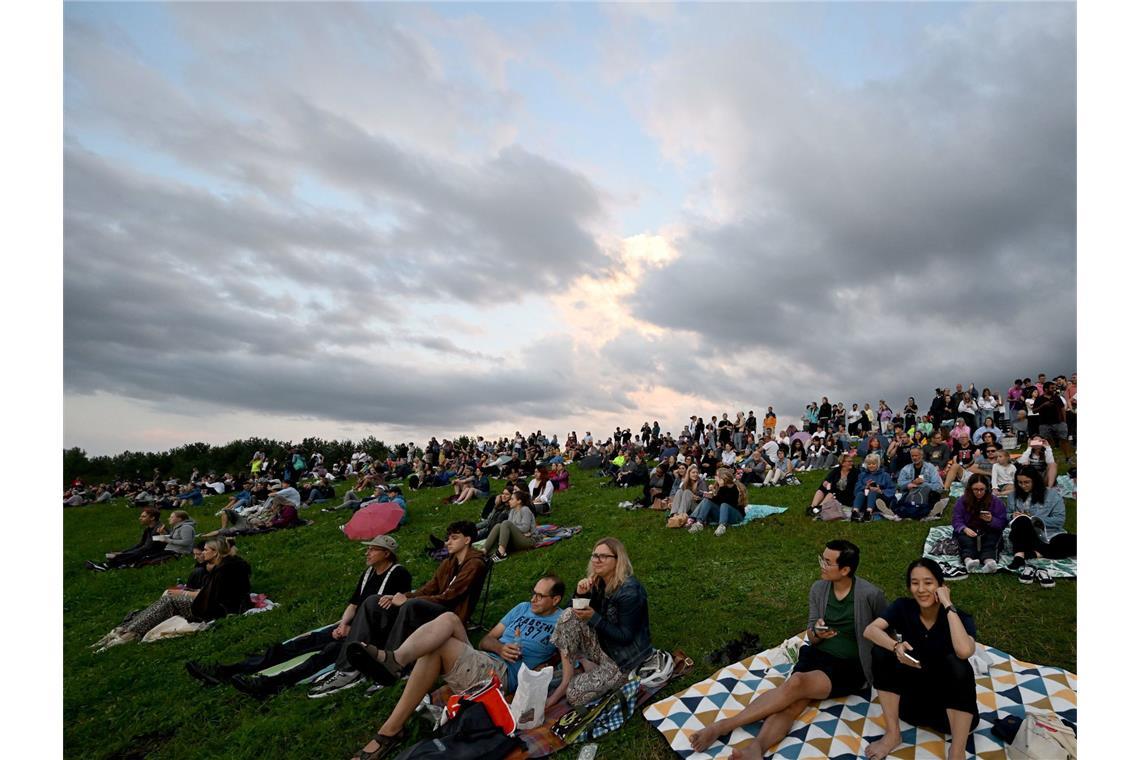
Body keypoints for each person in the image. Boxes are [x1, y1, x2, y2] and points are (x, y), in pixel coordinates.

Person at [688, 540, 886, 759]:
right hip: (818, 654)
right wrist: (817, 633)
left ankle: (723, 726)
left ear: (845, 570)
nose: (821, 564)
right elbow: (810, 633)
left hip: (849, 666)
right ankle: (757, 748)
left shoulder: (870, 595)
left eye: (827, 562)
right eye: (822, 558)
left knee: (796, 683)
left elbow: (885, 629)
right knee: (793, 702)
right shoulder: (819, 589)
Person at [350, 575, 565, 760]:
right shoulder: (522, 608)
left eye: (540, 596)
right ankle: (395, 659)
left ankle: (390, 724)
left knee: (438, 647)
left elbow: (570, 659)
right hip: (486, 658)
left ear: (556, 599)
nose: (533, 598)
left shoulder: (562, 621)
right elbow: (486, 640)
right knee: (450, 618)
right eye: (533, 592)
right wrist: (500, 648)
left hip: (502, 675)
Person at [187, 535, 413, 696]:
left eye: (372, 549)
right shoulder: (368, 573)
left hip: (367, 635)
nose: (368, 552)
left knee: (323, 656)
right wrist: (343, 623)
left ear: (386, 553)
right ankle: (227, 670)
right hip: (348, 627)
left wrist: (351, 630)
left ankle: (269, 684)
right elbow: (354, 603)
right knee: (298, 644)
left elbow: (388, 613)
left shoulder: (398, 573)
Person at [308, 521, 486, 697]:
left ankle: (393, 666)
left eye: (454, 538)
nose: (447, 542)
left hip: (450, 617)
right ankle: (347, 670)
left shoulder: (475, 564)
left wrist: (408, 600)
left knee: (412, 605)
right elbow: (429, 588)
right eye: (448, 538)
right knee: (372, 602)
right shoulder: (449, 562)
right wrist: (401, 597)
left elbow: (451, 597)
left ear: (467, 540)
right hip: (433, 608)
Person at [863, 559, 979, 760]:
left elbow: (964, 651)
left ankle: (957, 751)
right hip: (911, 707)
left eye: (928, 582)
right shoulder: (903, 607)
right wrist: (896, 646)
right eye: (915, 583)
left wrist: (948, 605)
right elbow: (870, 630)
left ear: (941, 586)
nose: (921, 589)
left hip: (947, 713)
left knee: (958, 665)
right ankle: (893, 734)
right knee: (881, 653)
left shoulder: (958, 617)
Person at [547, 538, 651, 708]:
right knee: (567, 615)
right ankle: (567, 680)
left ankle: (588, 668)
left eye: (603, 556)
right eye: (595, 555)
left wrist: (594, 618)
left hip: (624, 660)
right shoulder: (598, 582)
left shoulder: (630, 591)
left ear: (618, 560)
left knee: (574, 695)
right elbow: (569, 616)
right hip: (604, 645)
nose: (596, 560)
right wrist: (580, 594)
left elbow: (626, 637)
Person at [94, 538, 251, 650]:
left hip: (219, 610)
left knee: (170, 599)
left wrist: (182, 594)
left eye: (205, 550)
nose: (203, 553)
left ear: (215, 552)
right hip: (218, 604)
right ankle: (128, 629)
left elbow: (211, 597)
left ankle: (129, 632)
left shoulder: (224, 570)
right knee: (169, 599)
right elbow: (210, 592)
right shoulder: (226, 565)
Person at [1007, 467, 1076, 586]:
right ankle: (1019, 555)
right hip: (1023, 535)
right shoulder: (1013, 496)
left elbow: (1059, 520)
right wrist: (1012, 515)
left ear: (1035, 481)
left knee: (1074, 542)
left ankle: (1035, 553)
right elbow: (1007, 516)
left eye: (1027, 482)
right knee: (1022, 520)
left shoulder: (1053, 495)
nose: (1023, 486)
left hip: (1049, 534)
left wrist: (1035, 519)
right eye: (1020, 482)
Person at [951, 474, 1008, 574]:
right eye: (975, 489)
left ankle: (989, 562)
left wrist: (991, 520)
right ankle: (968, 561)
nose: (979, 493)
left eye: (982, 489)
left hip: (988, 530)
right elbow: (956, 519)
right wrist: (964, 528)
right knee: (965, 541)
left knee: (992, 540)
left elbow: (1003, 522)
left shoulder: (996, 502)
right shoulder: (962, 501)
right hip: (969, 529)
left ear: (987, 489)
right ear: (970, 489)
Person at [689, 467, 748, 536]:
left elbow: (726, 502)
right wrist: (709, 496)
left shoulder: (734, 489)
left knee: (724, 504)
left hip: (736, 516)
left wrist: (715, 494)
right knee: (707, 501)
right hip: (724, 515)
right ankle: (699, 523)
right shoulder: (722, 488)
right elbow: (716, 500)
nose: (715, 477)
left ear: (723, 478)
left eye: (717, 476)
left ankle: (722, 526)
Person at [893, 447, 947, 520]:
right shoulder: (906, 468)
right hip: (910, 493)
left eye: (916, 455)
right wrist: (911, 483)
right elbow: (899, 484)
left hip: (926, 493)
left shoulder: (930, 468)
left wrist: (922, 484)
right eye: (912, 456)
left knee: (934, 495)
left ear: (921, 456)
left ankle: (924, 511)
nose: (914, 458)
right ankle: (927, 513)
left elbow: (938, 486)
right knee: (899, 498)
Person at [484, 488, 536, 562]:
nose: (509, 501)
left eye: (512, 499)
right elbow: (509, 528)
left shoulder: (525, 510)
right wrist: (514, 530)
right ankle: (484, 550)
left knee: (505, 523)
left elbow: (525, 528)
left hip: (529, 540)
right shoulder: (512, 511)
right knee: (499, 525)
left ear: (519, 501)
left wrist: (514, 528)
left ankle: (501, 553)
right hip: (521, 536)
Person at [807, 452, 859, 517]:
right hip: (835, 491)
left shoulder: (855, 472)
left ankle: (820, 507)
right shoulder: (837, 470)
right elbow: (828, 478)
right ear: (842, 463)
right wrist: (826, 482)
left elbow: (850, 487)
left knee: (833, 491)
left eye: (852, 461)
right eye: (849, 461)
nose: (851, 463)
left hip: (846, 494)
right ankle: (813, 506)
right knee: (822, 487)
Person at [851, 454, 896, 522]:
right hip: (865, 497)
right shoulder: (862, 475)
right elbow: (856, 489)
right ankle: (855, 513)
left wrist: (880, 490)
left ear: (877, 464)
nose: (871, 465)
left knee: (872, 492)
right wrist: (865, 487)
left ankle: (868, 513)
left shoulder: (885, 475)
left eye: (873, 464)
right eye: (869, 464)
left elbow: (892, 489)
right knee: (860, 493)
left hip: (880, 497)